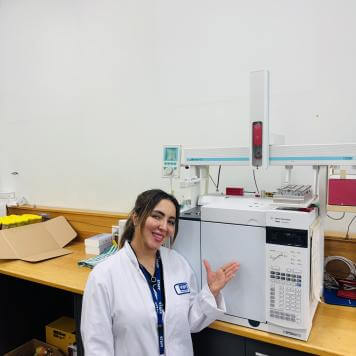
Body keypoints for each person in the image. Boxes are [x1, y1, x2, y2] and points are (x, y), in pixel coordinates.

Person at [81, 189, 240, 356]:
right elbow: (96, 347)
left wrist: (211, 291)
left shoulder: (178, 264)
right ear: (136, 217)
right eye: (156, 216)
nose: (164, 227)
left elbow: (189, 322)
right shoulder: (104, 276)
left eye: (171, 221)